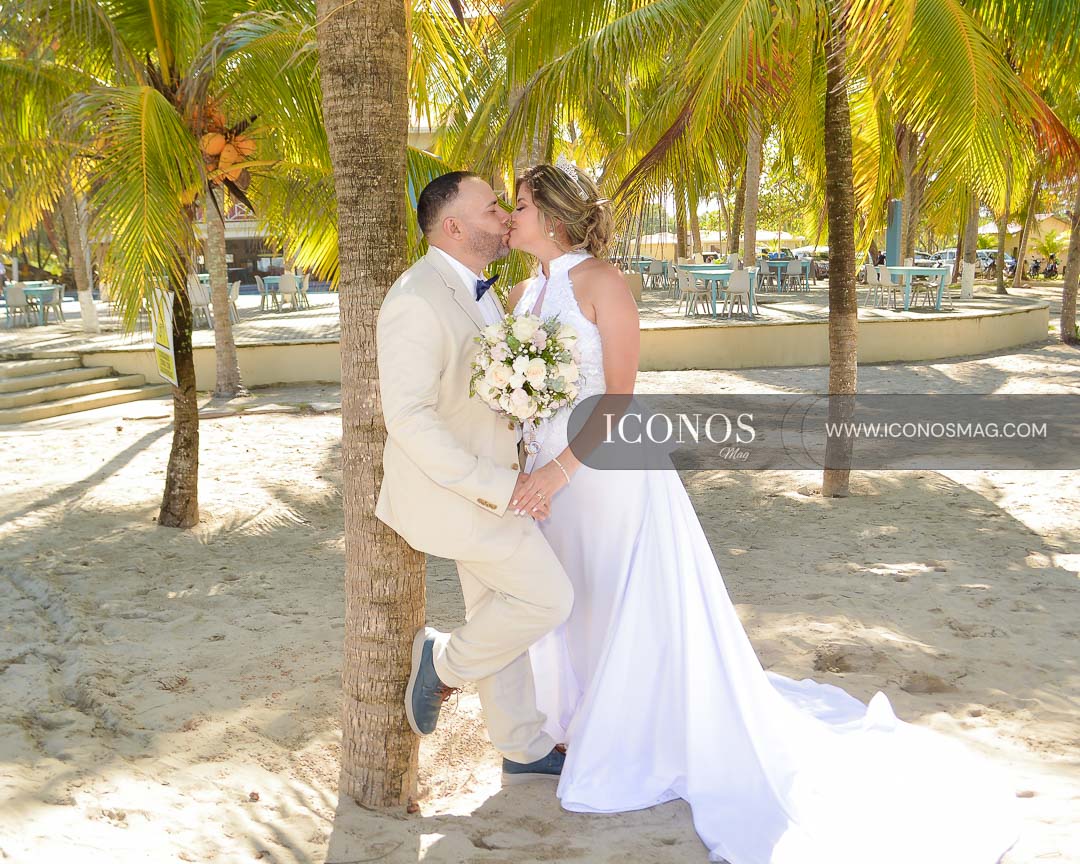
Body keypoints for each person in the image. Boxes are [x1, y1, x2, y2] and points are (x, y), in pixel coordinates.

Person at [503, 160, 1018, 864]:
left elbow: (619, 397)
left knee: (622, 594)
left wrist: (559, 469)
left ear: (554, 216)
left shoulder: (602, 283)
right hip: (542, 472)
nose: (511, 216)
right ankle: (573, 719)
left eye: (520, 204)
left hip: (601, 470)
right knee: (574, 593)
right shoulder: (523, 293)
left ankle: (630, 730)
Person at [378, 171, 572, 782]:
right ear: (454, 227)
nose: (504, 216)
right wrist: (497, 486)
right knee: (548, 598)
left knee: (497, 607)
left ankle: (522, 746)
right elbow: (409, 419)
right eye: (491, 208)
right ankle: (443, 663)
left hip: (493, 483)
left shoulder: (481, 289)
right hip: (456, 494)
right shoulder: (415, 298)